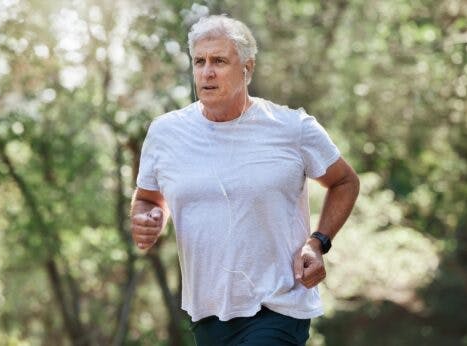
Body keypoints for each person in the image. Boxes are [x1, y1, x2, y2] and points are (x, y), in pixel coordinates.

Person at [131, 15, 359, 346]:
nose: (207, 71)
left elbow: (345, 182)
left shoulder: (292, 128)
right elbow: (148, 199)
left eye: (219, 61)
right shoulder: (166, 133)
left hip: (279, 305)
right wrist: (145, 218)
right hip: (208, 313)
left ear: (247, 69)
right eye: (199, 61)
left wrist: (318, 241)